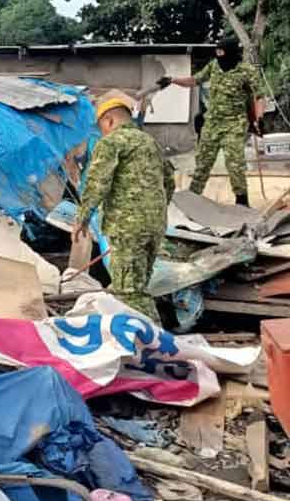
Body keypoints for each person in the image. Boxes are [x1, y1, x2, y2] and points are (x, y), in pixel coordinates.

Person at [73, 98, 174, 322]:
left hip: (127, 227)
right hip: (155, 226)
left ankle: (159, 342)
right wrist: (154, 211)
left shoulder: (111, 143)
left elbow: (97, 182)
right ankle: (136, 340)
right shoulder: (151, 143)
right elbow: (169, 182)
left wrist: (82, 219)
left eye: (101, 128)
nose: (102, 134)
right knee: (136, 284)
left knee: (130, 293)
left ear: (109, 120)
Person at [165, 40, 263, 207]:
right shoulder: (214, 66)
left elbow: (259, 95)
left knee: (235, 163)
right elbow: (194, 80)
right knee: (203, 162)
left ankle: (241, 201)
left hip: (235, 124)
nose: (218, 57)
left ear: (231, 53)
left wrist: (259, 118)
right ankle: (193, 198)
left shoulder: (247, 71)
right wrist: (172, 80)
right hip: (212, 123)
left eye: (221, 53)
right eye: (216, 53)